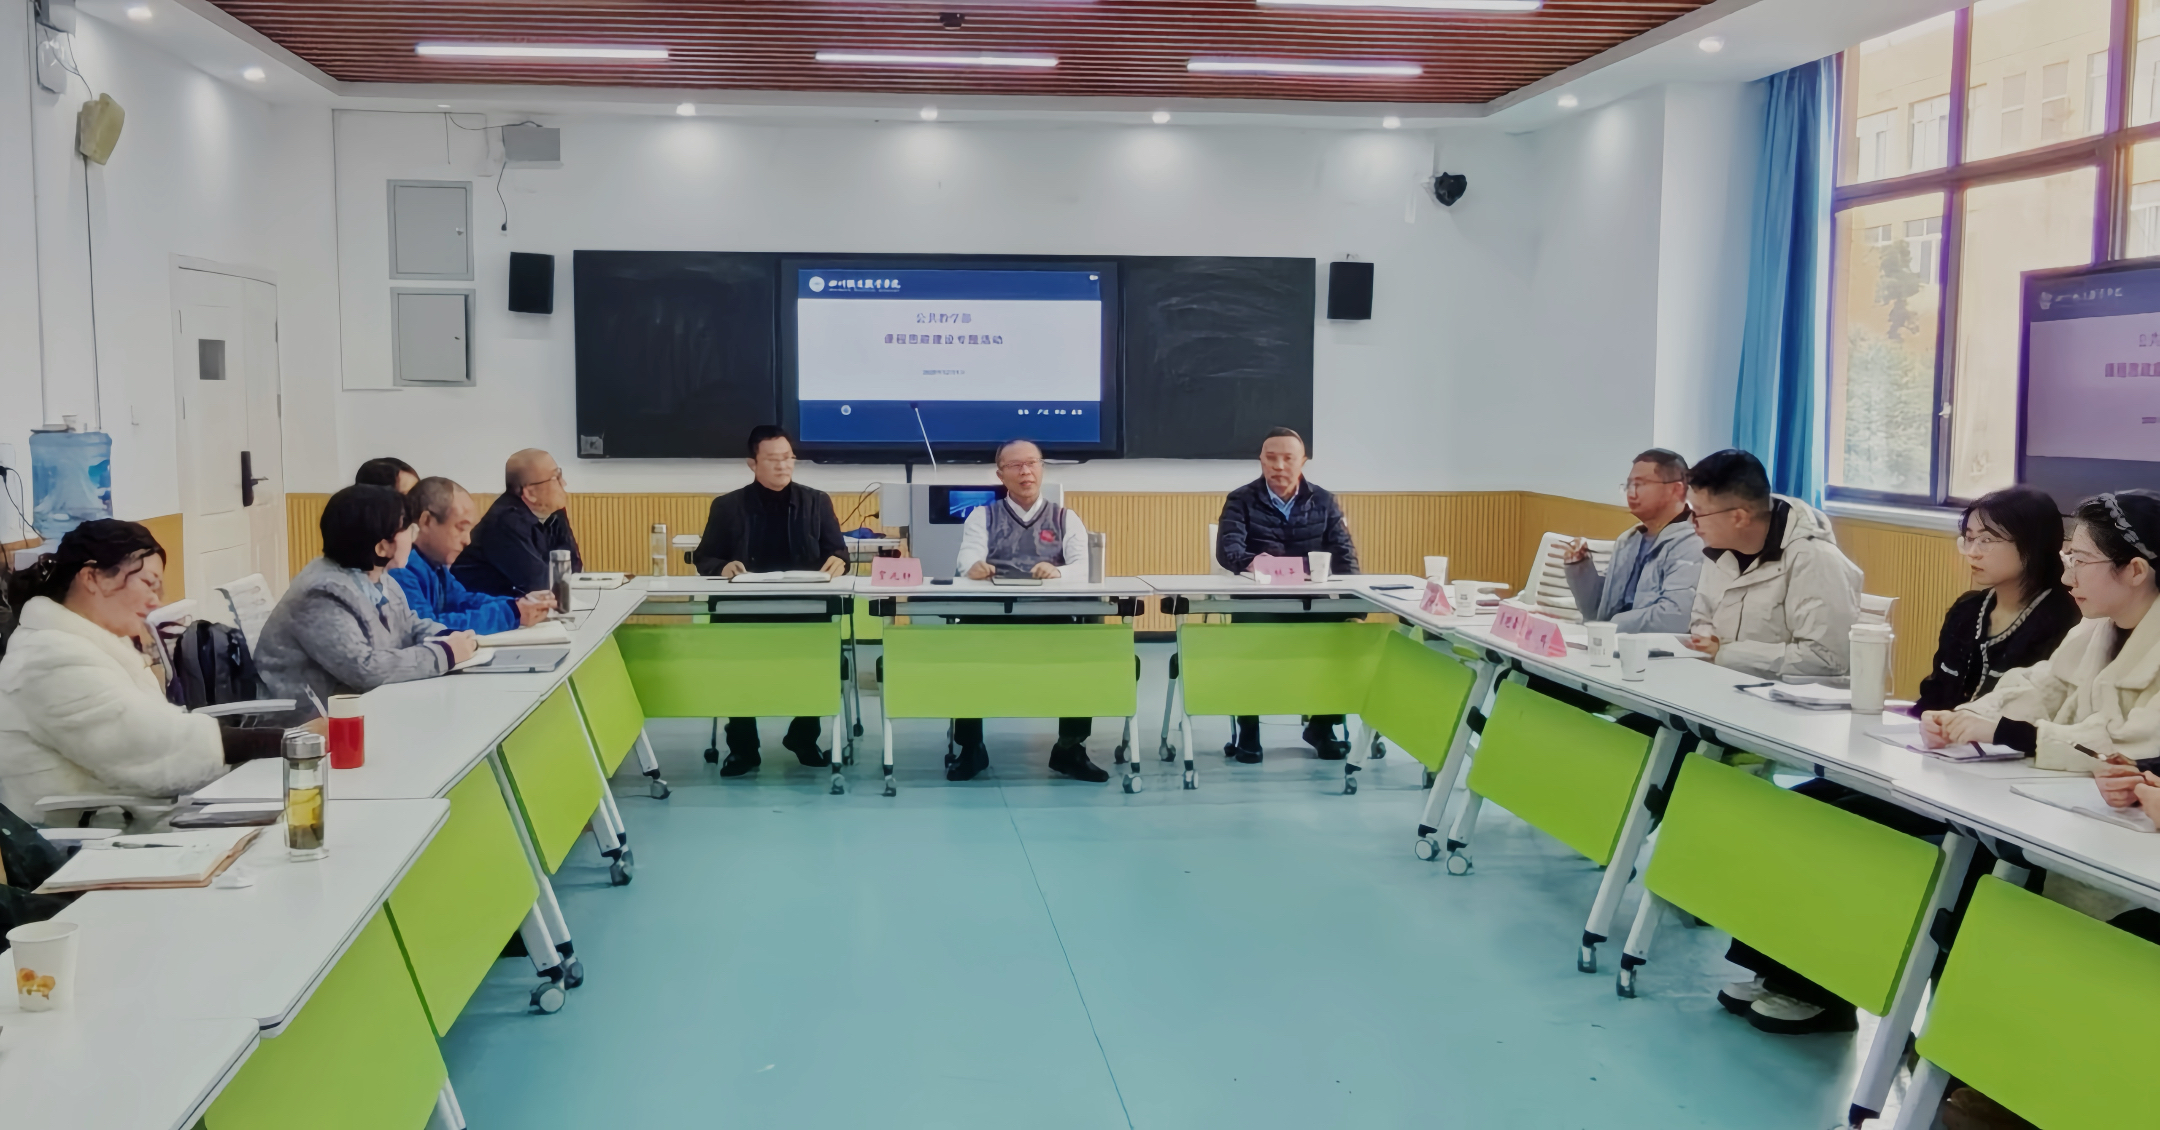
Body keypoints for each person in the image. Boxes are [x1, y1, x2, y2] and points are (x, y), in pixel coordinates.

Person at [1717, 487, 2080, 1037]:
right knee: (1802, 805)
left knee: (1849, 828)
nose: (1972, 551)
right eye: (1968, 537)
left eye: (1988, 540)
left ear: (2033, 544)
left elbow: (2040, 717)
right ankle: (1785, 971)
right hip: (1936, 767)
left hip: (1996, 789)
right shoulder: (1970, 610)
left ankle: (1825, 992)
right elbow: (1933, 695)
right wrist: (1931, 722)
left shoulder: (2065, 620)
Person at [1925, 490, 2160, 1129]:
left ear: (2135, 570)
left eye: (2080, 560)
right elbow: (2036, 686)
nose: (2066, 573)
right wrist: (1967, 716)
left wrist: (2009, 733)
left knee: (2077, 941)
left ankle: (2043, 1084)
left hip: (2129, 847)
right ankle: (1984, 1063)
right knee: (1987, 894)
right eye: (2066, 556)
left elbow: (2129, 743)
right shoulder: (2093, 627)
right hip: (2084, 819)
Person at [0, 520, 284, 817]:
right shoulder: (49, 658)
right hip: (90, 838)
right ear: (92, 578)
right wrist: (284, 741)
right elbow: (150, 746)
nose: (155, 602)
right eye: (148, 584)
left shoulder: (88, 644)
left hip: (131, 817)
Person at [944, 439, 1107, 784]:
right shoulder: (982, 516)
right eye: (1015, 466)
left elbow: (1086, 566)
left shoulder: (1065, 517)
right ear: (1000, 475)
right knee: (962, 653)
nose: (1025, 471)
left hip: (1052, 619)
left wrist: (1058, 572)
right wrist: (973, 567)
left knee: (1086, 653)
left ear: (1042, 468)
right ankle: (971, 748)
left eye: (1031, 463)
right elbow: (967, 557)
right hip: (991, 618)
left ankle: (1069, 748)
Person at [692, 426, 847, 777]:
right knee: (738, 671)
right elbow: (704, 558)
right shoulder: (727, 506)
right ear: (753, 463)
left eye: (788, 458)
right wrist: (722, 567)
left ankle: (803, 737)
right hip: (743, 611)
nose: (783, 466)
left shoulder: (816, 501)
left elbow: (838, 552)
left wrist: (839, 561)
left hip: (805, 609)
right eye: (773, 459)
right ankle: (743, 748)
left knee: (820, 664)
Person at [256, 485, 478, 725]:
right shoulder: (320, 595)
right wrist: (444, 654)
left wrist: (448, 637)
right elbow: (365, 670)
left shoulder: (380, 577)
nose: (413, 537)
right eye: (407, 529)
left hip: (363, 712)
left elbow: (409, 625)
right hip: (307, 727)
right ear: (382, 547)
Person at [1215, 426, 1360, 763]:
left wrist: (1356, 609)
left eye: (1288, 458)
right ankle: (1248, 730)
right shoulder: (1240, 499)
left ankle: (1322, 727)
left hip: (1312, 602)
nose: (1278, 466)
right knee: (1249, 646)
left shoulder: (1324, 500)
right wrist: (1252, 562)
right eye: (1271, 458)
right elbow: (1228, 551)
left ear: (1303, 461)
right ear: (1261, 460)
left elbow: (1345, 557)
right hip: (1258, 602)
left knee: (1346, 641)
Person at [1684, 449, 1862, 681]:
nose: (1692, 522)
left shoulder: (1816, 560)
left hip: (1783, 698)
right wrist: (1705, 640)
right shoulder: (1719, 549)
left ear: (1739, 517)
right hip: (1718, 684)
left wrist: (1727, 654)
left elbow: (1826, 658)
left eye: (1698, 513)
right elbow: (1701, 619)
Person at [1562, 448, 1703, 633]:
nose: (1631, 494)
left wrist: (1610, 627)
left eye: (1640, 484)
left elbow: (1674, 617)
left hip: (1654, 648)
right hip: (1611, 641)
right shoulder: (1628, 540)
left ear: (1676, 489)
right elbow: (1596, 612)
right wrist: (1580, 568)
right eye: (1629, 485)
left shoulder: (1694, 542)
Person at [391, 476, 555, 635]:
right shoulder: (400, 568)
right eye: (461, 528)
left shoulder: (435, 565)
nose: (467, 541)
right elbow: (428, 628)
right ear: (426, 521)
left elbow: (463, 601)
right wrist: (511, 614)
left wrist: (520, 604)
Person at [454, 448, 582, 598]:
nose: (564, 483)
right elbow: (539, 584)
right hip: (476, 606)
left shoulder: (553, 511)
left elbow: (573, 566)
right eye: (555, 478)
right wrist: (558, 576)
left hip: (517, 605)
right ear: (530, 493)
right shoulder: (504, 522)